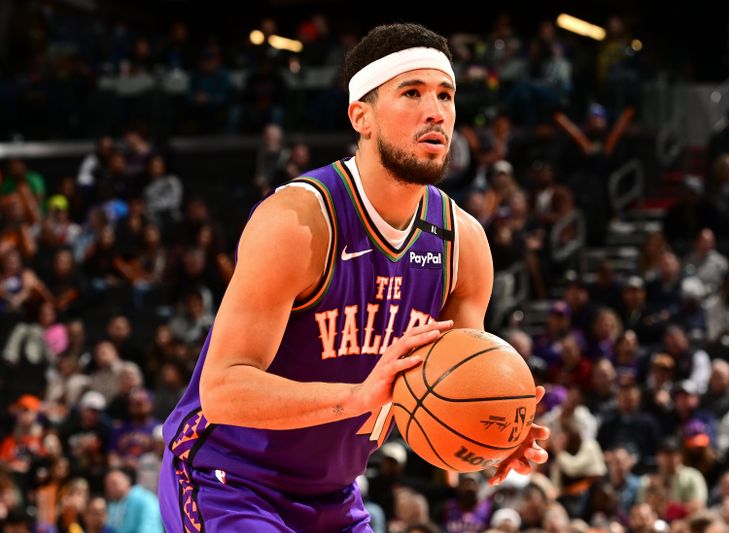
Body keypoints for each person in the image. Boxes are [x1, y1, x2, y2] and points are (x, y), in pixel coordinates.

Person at [157, 22, 549, 532]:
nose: (436, 111)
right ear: (360, 116)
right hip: (227, 479)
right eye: (412, 92)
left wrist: (490, 433)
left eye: (445, 95)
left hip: (334, 494)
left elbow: (437, 398)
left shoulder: (463, 244)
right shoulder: (299, 222)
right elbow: (223, 389)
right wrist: (358, 397)